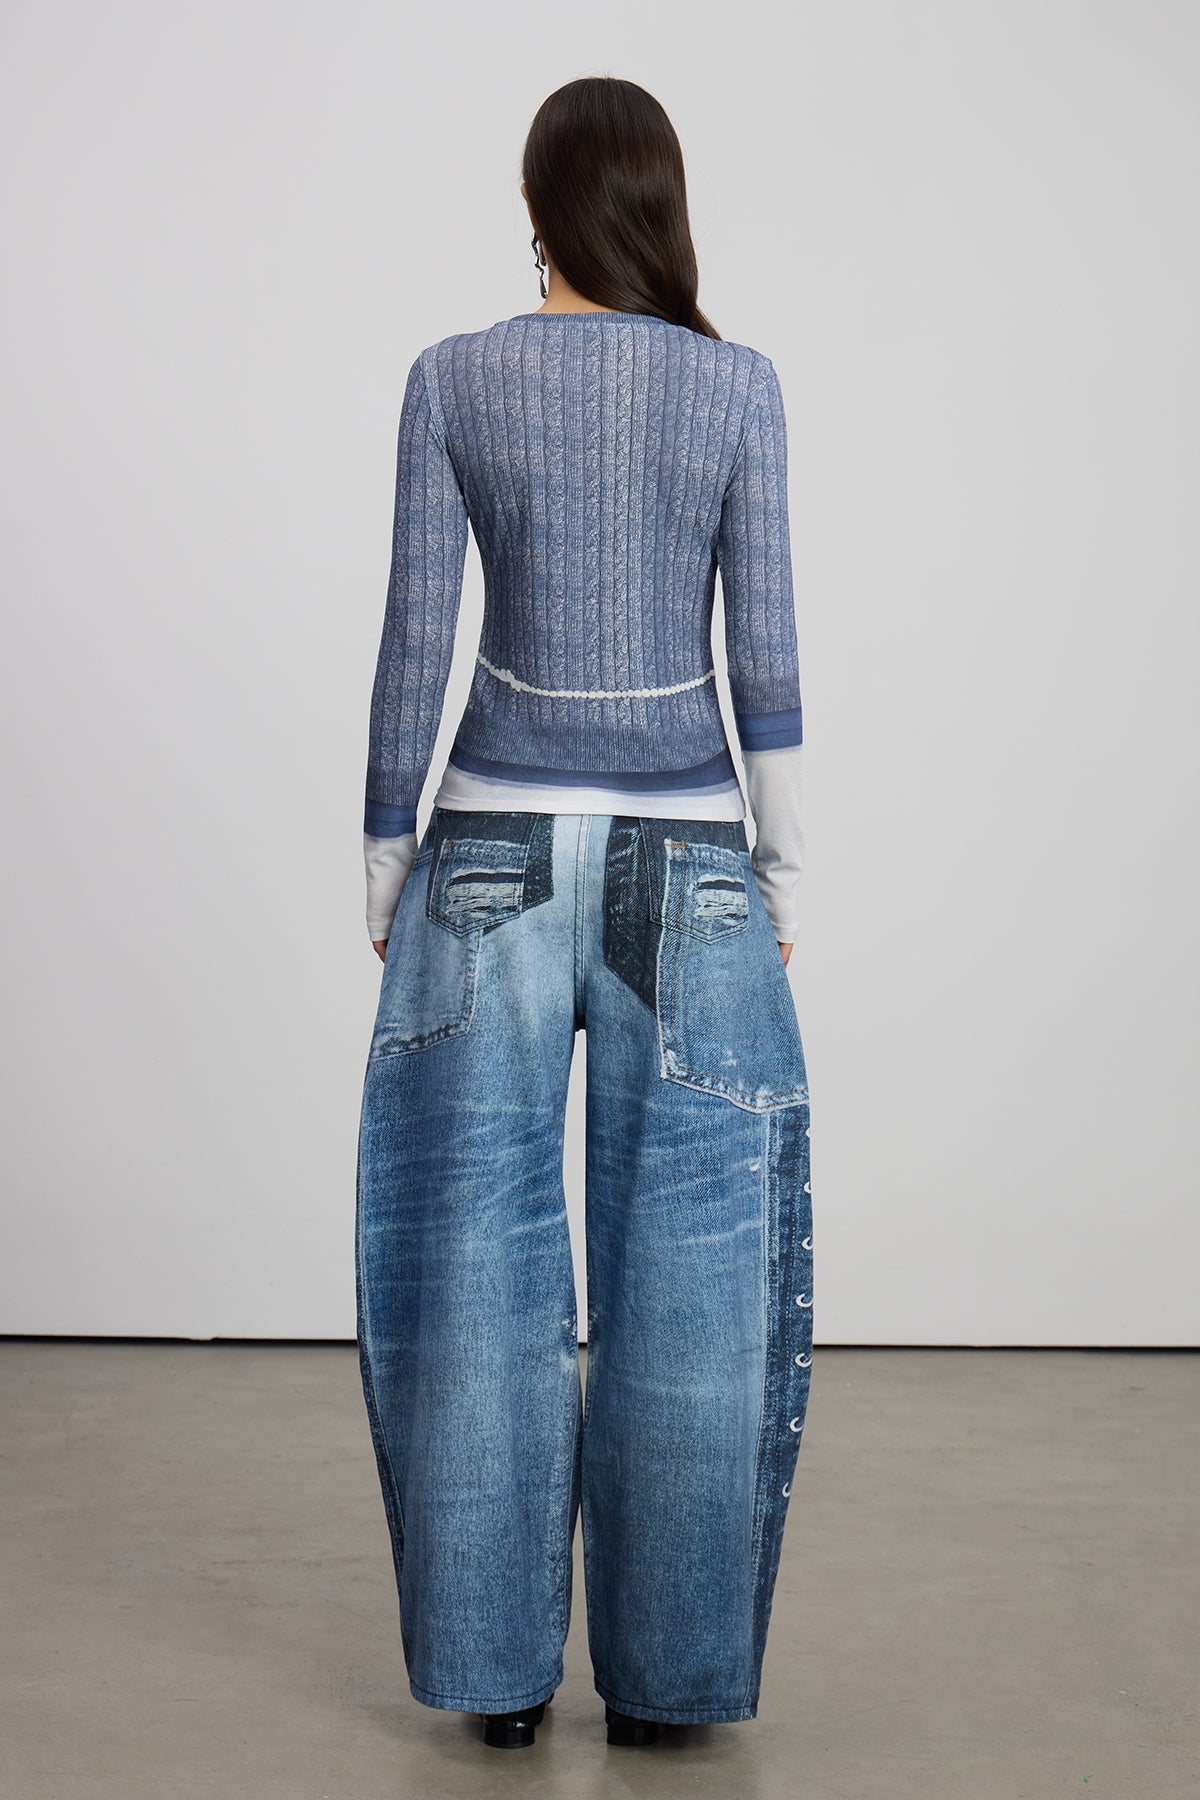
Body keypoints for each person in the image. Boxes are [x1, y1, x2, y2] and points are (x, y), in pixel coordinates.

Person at [355, 75, 813, 1753]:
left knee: (470, 1261)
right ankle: (670, 1688)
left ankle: (493, 1682)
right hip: (685, 863)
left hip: (485, 855)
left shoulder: (452, 376)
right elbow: (766, 653)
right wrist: (780, 870)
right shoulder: (737, 387)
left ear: (536, 208)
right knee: (692, 1266)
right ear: (661, 208)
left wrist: (384, 858)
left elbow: (416, 638)